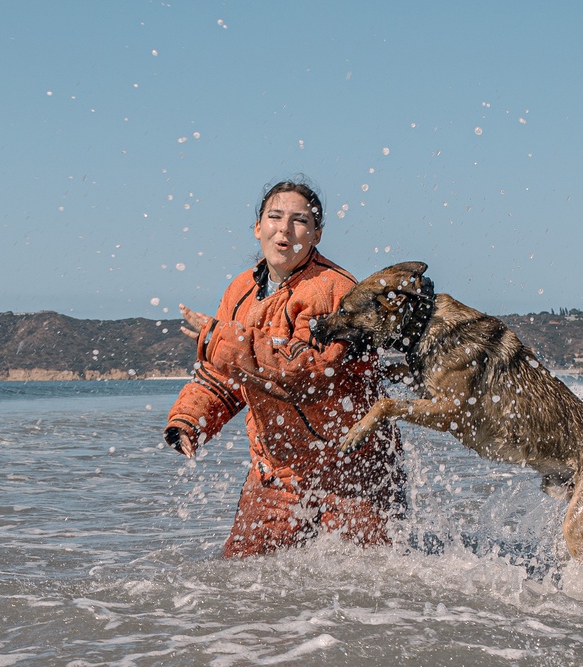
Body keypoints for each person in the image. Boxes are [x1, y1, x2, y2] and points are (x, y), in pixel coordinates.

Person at [164, 179, 404, 558]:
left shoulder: (334, 289)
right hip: (276, 469)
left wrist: (221, 341)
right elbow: (229, 374)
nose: (284, 229)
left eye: (300, 221)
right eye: (274, 217)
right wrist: (190, 419)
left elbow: (310, 373)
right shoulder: (240, 289)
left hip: (353, 466)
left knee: (367, 584)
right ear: (258, 227)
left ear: (316, 234)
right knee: (242, 573)